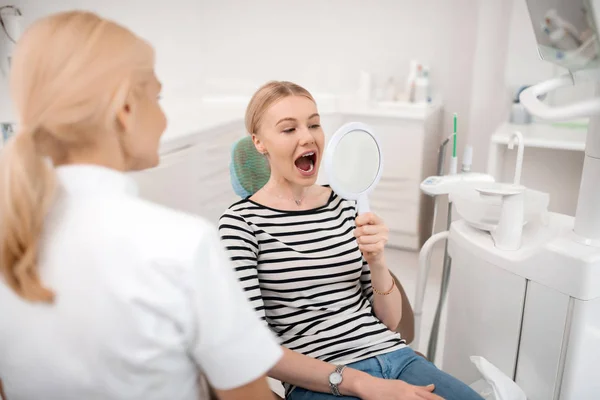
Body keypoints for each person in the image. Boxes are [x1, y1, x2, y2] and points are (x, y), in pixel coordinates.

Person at [0, 11, 282, 400]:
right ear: (126, 110)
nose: (164, 116)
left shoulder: (12, 234)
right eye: (157, 96)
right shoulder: (182, 244)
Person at [218, 81, 484, 400]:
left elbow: (389, 321)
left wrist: (377, 261)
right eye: (289, 129)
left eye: (314, 124)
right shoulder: (240, 225)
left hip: (398, 360)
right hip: (323, 382)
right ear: (259, 143)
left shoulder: (346, 204)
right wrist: (361, 383)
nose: (308, 136)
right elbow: (254, 349)